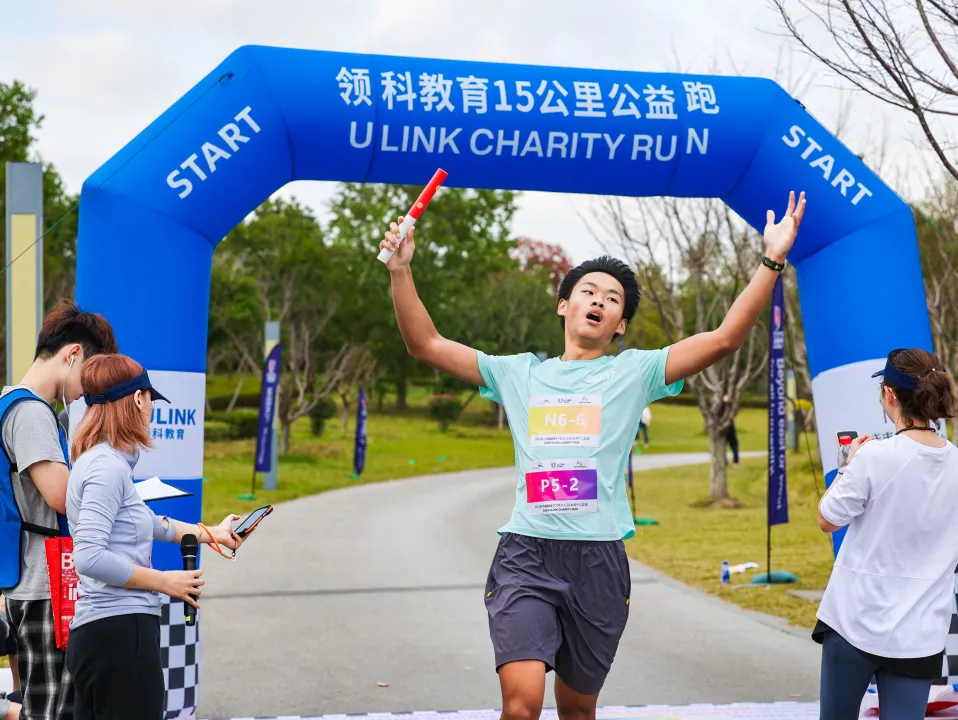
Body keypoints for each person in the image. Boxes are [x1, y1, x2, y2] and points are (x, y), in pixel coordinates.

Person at [379, 191, 806, 719]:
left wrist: (771, 259)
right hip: (526, 555)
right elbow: (426, 343)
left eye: (612, 299)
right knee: (521, 703)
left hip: (598, 561)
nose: (599, 300)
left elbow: (723, 339)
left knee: (577, 711)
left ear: (620, 323)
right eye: (588, 291)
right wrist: (401, 271)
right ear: (565, 304)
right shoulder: (517, 373)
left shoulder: (635, 372)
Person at [64, 353, 246, 719]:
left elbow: (155, 524)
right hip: (119, 634)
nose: (151, 410)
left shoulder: (102, 462)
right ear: (136, 399)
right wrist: (165, 582)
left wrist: (215, 534)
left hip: (103, 636)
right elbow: (89, 557)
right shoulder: (107, 468)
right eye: (150, 400)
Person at [814, 348, 958, 720]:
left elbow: (828, 518)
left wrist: (847, 466)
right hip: (919, 632)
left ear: (889, 395)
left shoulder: (874, 457)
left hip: (853, 622)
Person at [0, 299, 117, 720]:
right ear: (73, 355)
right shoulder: (31, 412)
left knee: (37, 703)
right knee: (52, 710)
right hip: (43, 583)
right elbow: (60, 496)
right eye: (88, 374)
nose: (86, 389)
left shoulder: (10, 402)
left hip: (27, 576)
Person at [720, 394, 739, 467]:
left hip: (724, 428)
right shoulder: (731, 407)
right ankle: (735, 462)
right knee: (734, 446)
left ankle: (724, 462)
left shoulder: (721, 407)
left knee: (723, 446)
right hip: (730, 428)